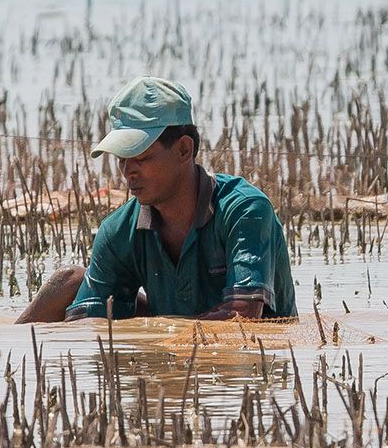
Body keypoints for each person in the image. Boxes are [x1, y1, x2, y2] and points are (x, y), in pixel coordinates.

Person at [15, 76, 297, 324]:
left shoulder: (244, 210)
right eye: (122, 159)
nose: (128, 171)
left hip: (245, 371)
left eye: (141, 157)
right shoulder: (117, 232)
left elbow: (243, 317)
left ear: (184, 149)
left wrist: (157, 333)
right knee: (69, 282)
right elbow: (92, 328)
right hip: (175, 345)